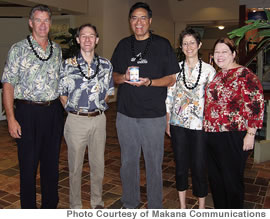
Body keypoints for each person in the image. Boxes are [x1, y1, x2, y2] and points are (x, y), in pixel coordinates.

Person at [111, 2, 180, 209]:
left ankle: (155, 206)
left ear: (149, 21)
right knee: (128, 163)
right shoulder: (123, 45)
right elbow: (112, 76)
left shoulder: (162, 44)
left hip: (153, 116)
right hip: (126, 115)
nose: (138, 22)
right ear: (130, 22)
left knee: (153, 165)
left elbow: (171, 79)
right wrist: (123, 77)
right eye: (134, 18)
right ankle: (130, 203)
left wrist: (149, 81)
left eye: (142, 18)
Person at [1, 5, 63, 208]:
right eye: (38, 20)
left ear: (50, 24)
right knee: (28, 167)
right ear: (31, 23)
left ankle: (49, 207)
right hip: (27, 113)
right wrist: (11, 117)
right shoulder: (18, 49)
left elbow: (60, 85)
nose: (43, 24)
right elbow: (8, 84)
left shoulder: (57, 50)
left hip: (53, 112)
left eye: (46, 20)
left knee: (51, 165)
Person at [203, 37, 264, 208]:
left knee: (231, 181)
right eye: (217, 52)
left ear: (234, 54)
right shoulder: (217, 75)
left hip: (233, 135)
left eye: (224, 52)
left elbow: (255, 105)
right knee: (216, 181)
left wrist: (251, 134)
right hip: (212, 135)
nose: (220, 55)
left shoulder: (245, 75)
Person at [58, 23, 114, 209]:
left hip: (99, 120)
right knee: (75, 167)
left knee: (98, 165)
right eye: (83, 36)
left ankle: (96, 201)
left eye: (91, 36)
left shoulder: (106, 65)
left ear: (97, 40)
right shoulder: (67, 65)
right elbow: (62, 93)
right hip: (75, 121)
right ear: (77, 39)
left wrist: (94, 108)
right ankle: (76, 204)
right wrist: (74, 111)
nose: (87, 39)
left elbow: (107, 93)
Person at [166, 28, 216, 209]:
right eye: (185, 43)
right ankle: (182, 207)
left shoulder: (209, 71)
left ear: (199, 45)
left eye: (192, 43)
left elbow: (213, 101)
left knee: (199, 166)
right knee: (180, 165)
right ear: (181, 46)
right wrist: (168, 121)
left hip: (200, 126)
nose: (189, 47)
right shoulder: (175, 69)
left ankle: (201, 207)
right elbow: (170, 96)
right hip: (178, 124)